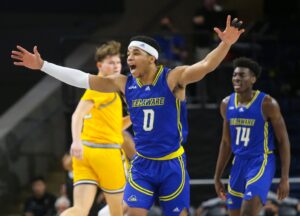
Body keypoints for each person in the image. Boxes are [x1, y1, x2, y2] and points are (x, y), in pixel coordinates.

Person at [12, 15, 244, 216]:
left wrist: (224, 45)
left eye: (135, 53)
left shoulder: (173, 78)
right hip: (142, 164)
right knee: (128, 211)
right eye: (128, 54)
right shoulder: (124, 83)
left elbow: (205, 65)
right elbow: (81, 78)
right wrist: (43, 65)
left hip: (171, 163)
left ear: (152, 58)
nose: (129, 58)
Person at [214, 57, 291, 216]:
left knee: (248, 213)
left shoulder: (267, 103)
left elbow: (283, 141)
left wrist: (284, 178)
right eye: (235, 75)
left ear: (253, 79)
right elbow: (226, 142)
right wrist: (217, 176)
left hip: (261, 162)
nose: (236, 78)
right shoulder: (226, 104)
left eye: (242, 75)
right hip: (238, 163)